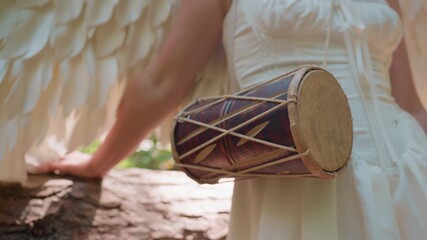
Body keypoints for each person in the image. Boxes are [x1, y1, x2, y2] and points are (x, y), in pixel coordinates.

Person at [39, 0, 427, 239]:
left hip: (411, 171)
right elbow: (164, 81)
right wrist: (98, 162)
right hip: (296, 180)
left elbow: (410, 103)